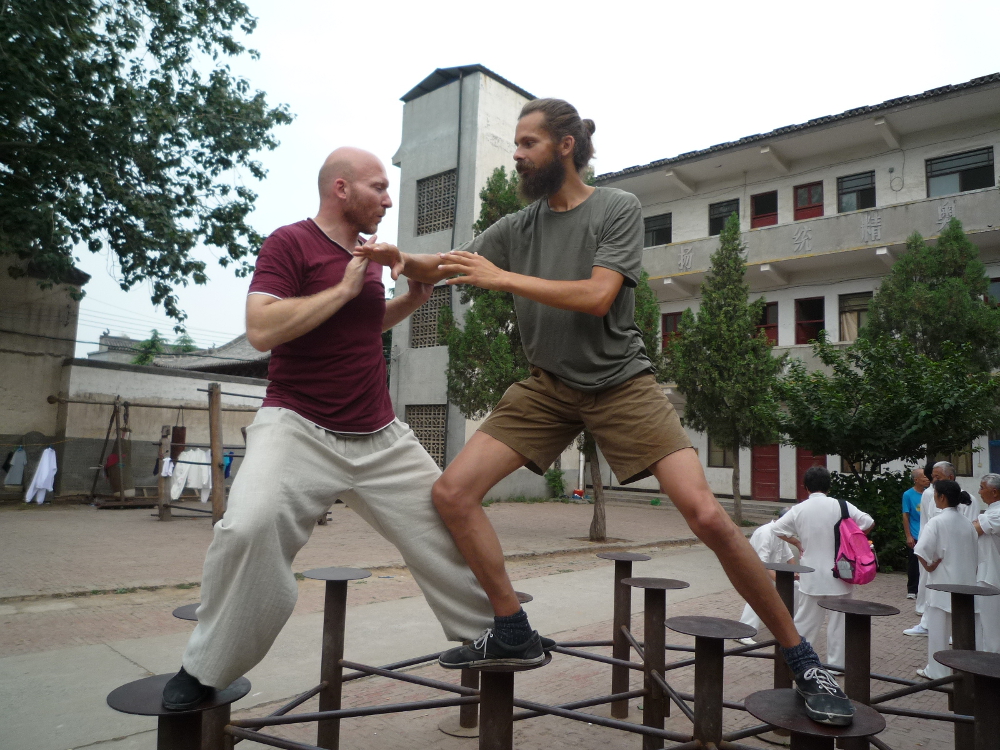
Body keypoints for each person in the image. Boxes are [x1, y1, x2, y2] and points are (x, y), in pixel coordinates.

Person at [359, 98, 857, 726]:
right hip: (547, 386)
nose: (517, 154)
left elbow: (597, 297)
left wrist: (502, 279)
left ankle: (804, 657)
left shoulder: (616, 207)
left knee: (706, 514)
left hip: (621, 383)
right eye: (515, 143)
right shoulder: (520, 225)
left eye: (527, 143)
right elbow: (453, 265)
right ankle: (511, 624)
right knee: (452, 493)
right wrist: (398, 259)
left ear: (565, 145)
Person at [160, 148, 500, 710]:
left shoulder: (368, 254)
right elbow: (262, 327)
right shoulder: (289, 243)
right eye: (379, 187)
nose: (389, 200)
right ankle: (204, 669)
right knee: (248, 528)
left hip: (377, 432)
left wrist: (406, 303)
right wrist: (342, 289)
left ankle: (493, 633)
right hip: (297, 424)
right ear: (341, 189)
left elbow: (362, 326)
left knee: (447, 528)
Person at [773, 465, 875, 672]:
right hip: (841, 572)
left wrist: (798, 543)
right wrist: (851, 538)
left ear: (805, 487)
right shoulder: (842, 506)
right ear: (829, 486)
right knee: (839, 623)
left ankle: (798, 662)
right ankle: (836, 666)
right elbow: (868, 522)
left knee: (805, 621)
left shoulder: (799, 509)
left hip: (811, 574)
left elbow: (777, 529)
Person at [913, 479, 978, 679]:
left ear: (942, 497)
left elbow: (921, 550)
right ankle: (963, 669)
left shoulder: (937, 521)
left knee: (938, 633)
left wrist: (929, 567)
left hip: (941, 584)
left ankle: (937, 670)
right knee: (962, 633)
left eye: (935, 496)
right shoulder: (967, 523)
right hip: (965, 585)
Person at [907, 461, 953, 636]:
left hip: (950, 549)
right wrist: (923, 544)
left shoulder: (963, 496)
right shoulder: (928, 494)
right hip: (930, 544)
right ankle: (926, 621)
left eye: (937, 477)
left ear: (950, 477)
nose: (933, 480)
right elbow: (925, 520)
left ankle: (950, 628)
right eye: (932, 477)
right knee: (927, 582)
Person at [735, 517, 797, 646]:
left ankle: (791, 625)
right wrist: (780, 582)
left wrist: (795, 573)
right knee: (759, 596)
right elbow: (762, 563)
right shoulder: (765, 533)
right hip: (754, 571)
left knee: (797, 588)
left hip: (770, 573)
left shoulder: (781, 534)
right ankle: (743, 633)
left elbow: (789, 557)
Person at [974, 473, 1000, 653]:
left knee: (991, 625)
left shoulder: (997, 513)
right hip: (986, 571)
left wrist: (977, 522)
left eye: (982, 488)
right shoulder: (991, 511)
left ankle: (991, 666)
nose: (979, 492)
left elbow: (974, 529)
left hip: (992, 575)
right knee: (984, 622)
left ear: (995, 492)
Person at [902, 467, 930, 599]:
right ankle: (912, 589)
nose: (927, 479)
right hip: (915, 533)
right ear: (916, 479)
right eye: (924, 477)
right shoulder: (908, 495)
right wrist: (908, 535)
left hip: (927, 533)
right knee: (914, 562)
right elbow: (905, 515)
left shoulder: (929, 494)